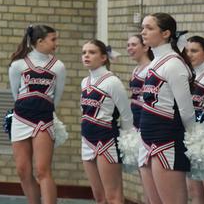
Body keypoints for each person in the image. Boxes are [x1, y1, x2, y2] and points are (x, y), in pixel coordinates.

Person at [138, 12, 195, 204]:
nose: (143, 32)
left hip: (167, 139)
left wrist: (193, 141)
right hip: (148, 138)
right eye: (143, 27)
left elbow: (186, 110)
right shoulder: (155, 62)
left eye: (149, 28)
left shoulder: (173, 64)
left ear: (166, 33)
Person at [8, 24, 66, 204]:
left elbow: (57, 97)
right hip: (21, 118)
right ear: (40, 42)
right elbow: (15, 94)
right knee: (22, 170)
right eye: (53, 39)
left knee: (43, 170)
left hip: (43, 119)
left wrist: (46, 112)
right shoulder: (18, 65)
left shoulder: (58, 66)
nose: (56, 43)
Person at [79, 40, 133, 204]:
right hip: (87, 140)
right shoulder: (84, 82)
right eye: (84, 52)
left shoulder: (112, 81)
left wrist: (128, 143)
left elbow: (126, 115)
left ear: (103, 57)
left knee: (113, 195)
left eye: (92, 52)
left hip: (106, 140)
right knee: (99, 197)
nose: (86, 55)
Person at [126, 33, 159, 203]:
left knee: (151, 176)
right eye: (128, 45)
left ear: (145, 47)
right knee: (144, 176)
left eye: (133, 44)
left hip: (147, 126)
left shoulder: (150, 69)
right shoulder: (136, 69)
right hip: (136, 124)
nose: (129, 48)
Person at [185, 35, 204, 201]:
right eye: (187, 51)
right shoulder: (187, 76)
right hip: (191, 139)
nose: (189, 54)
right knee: (194, 191)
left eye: (194, 51)